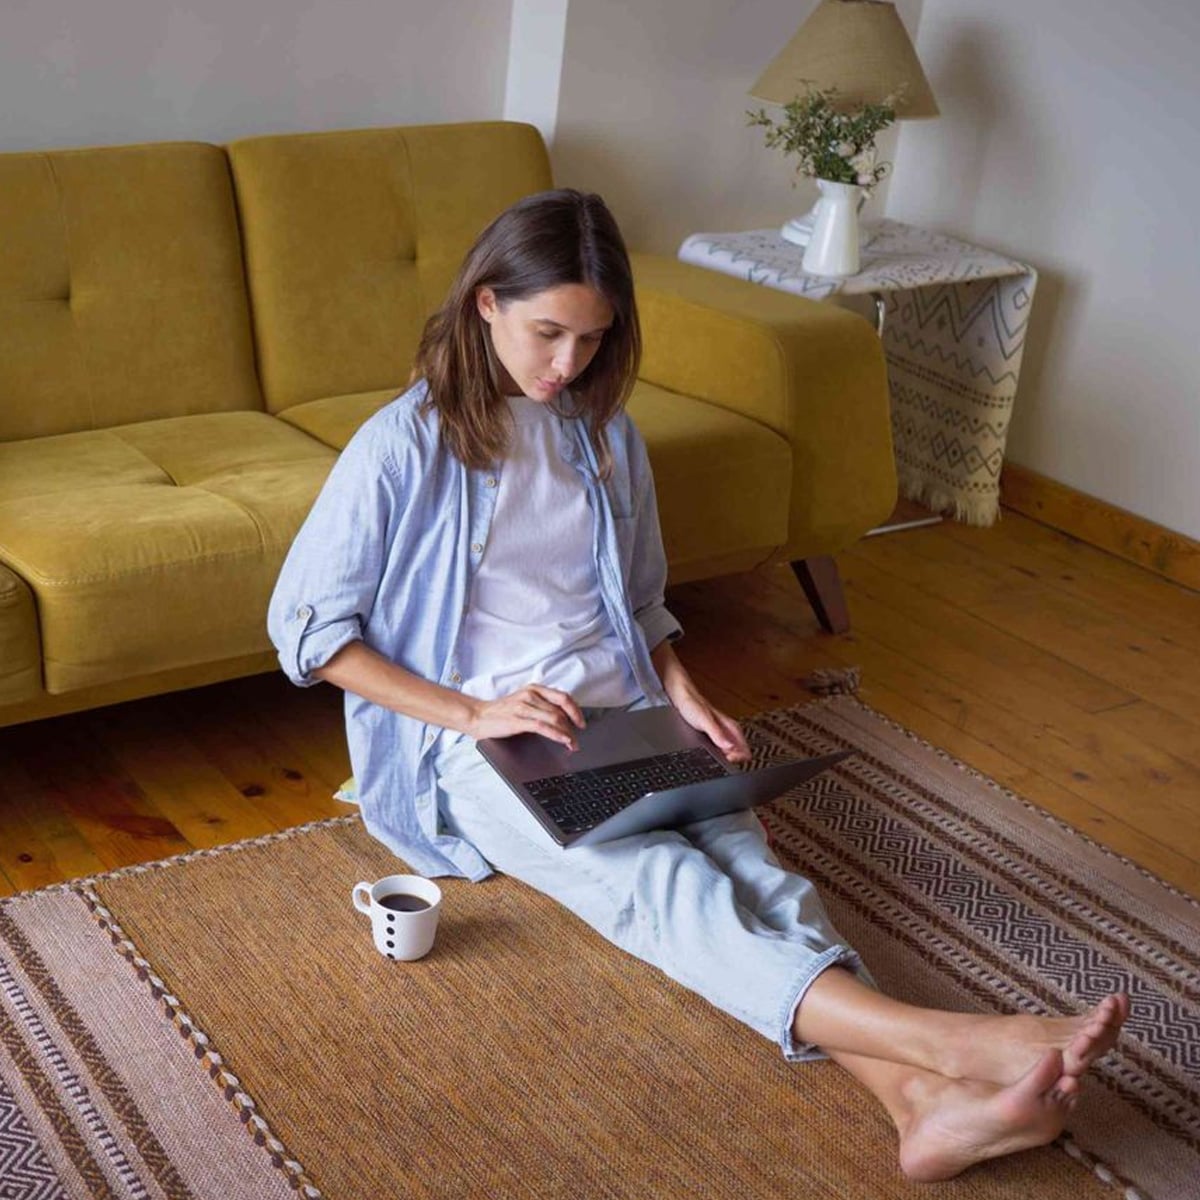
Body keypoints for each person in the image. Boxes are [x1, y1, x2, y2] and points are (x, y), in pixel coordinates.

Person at [267, 188, 1128, 1181]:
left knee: (761, 877)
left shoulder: (603, 436)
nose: (568, 364)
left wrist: (681, 692)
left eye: (593, 338)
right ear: (486, 304)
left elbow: (637, 602)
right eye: (548, 333)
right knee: (667, 888)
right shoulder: (402, 446)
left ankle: (918, 1105)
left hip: (627, 715)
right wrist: (474, 710)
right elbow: (307, 633)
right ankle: (959, 1044)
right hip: (484, 749)